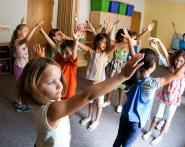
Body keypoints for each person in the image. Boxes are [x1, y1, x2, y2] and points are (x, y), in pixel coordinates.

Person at [16, 53, 144, 147]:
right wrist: (122, 76)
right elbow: (87, 95)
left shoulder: (37, 99)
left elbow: (38, 80)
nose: (60, 85)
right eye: (51, 82)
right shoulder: (53, 110)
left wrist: (42, 63)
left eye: (59, 79)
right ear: (33, 86)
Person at [113, 47, 185, 147]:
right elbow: (176, 74)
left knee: (118, 139)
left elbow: (134, 56)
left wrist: (130, 41)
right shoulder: (152, 83)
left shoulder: (132, 74)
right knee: (127, 145)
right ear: (153, 66)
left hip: (125, 114)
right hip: (136, 121)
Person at [141, 37, 185, 145]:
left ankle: (160, 137)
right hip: (164, 96)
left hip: (174, 100)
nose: (178, 63)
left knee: (167, 121)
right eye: (177, 60)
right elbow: (165, 54)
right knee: (156, 117)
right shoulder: (171, 68)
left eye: (181, 61)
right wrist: (160, 42)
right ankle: (150, 131)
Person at [77, 32, 127, 130]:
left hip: (100, 84)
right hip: (91, 83)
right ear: (96, 43)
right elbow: (79, 44)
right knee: (90, 101)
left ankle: (97, 120)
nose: (104, 44)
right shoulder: (91, 52)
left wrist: (129, 41)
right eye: (102, 42)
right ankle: (89, 117)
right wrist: (76, 39)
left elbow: (116, 46)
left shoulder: (105, 54)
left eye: (106, 43)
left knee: (99, 103)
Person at [103, 23, 154, 113]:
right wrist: (109, 26)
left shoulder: (127, 45)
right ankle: (107, 100)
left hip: (123, 67)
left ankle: (120, 104)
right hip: (114, 66)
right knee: (110, 84)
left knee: (122, 87)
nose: (127, 38)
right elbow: (107, 40)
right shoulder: (116, 44)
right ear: (121, 36)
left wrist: (147, 31)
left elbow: (137, 39)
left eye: (128, 36)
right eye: (125, 36)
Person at [11, 20, 43, 112]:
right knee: (20, 87)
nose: (27, 32)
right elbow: (27, 39)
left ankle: (20, 102)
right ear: (19, 32)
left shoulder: (22, 42)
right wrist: (35, 26)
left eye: (27, 31)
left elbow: (25, 54)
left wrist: (32, 55)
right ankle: (19, 105)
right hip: (19, 67)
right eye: (25, 31)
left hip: (24, 67)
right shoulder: (17, 41)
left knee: (23, 86)